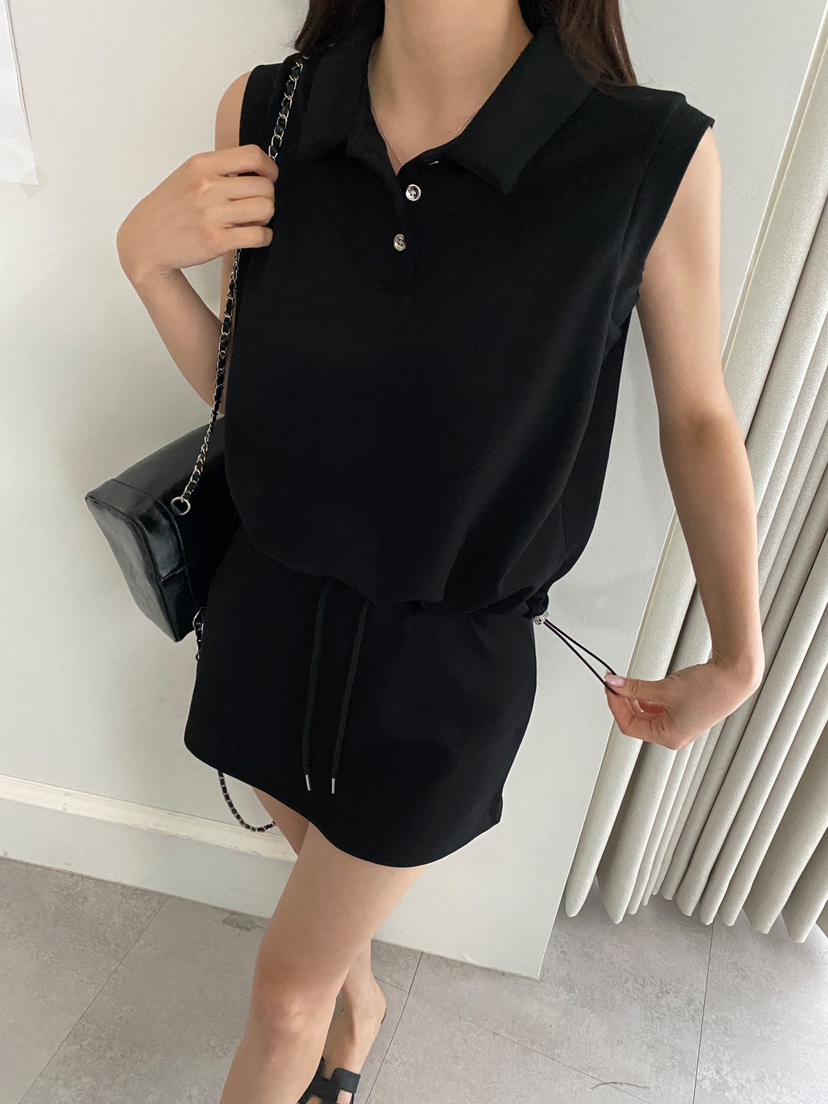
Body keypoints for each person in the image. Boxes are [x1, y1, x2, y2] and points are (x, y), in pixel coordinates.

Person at [115, 0, 764, 1101]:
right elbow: (248, 396)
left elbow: (698, 417)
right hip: (265, 613)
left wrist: (739, 652)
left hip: (445, 671)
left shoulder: (644, 153)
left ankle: (337, 1013)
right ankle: (360, 1000)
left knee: (283, 995)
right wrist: (146, 267)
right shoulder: (270, 112)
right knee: (320, 920)